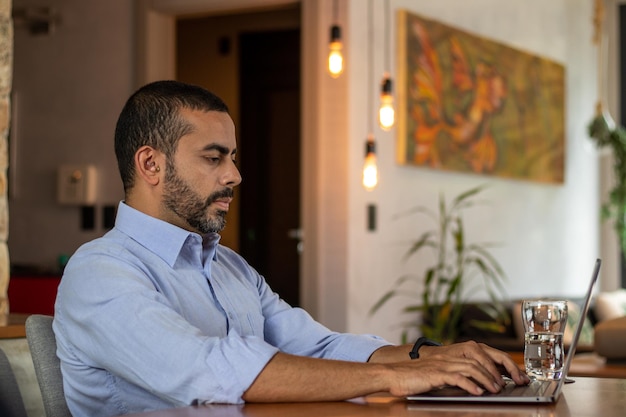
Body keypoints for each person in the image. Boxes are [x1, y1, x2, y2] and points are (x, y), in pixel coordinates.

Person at [53, 80, 529, 417]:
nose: (234, 175)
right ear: (150, 164)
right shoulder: (99, 272)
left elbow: (318, 346)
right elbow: (211, 372)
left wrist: (429, 359)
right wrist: (395, 378)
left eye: (233, 157)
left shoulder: (229, 267)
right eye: (213, 157)